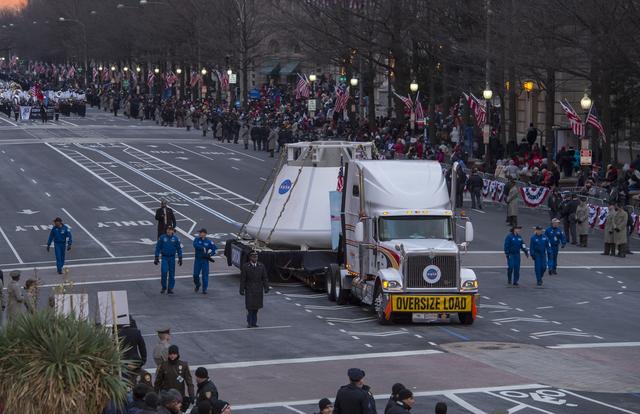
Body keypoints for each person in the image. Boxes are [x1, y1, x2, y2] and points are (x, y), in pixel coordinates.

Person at [154, 346, 194, 411]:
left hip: (179, 397)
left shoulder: (184, 365)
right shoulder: (164, 365)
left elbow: (189, 383)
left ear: (177, 354)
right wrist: (155, 394)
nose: (172, 356)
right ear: (168, 354)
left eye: (174, 354)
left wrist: (191, 394)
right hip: (167, 397)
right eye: (170, 354)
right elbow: (158, 382)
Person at [239, 250, 269, 328]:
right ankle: (249, 322)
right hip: (249, 289)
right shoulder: (246, 266)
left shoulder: (261, 266)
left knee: (256, 308)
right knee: (250, 307)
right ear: (250, 258)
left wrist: (266, 287)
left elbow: (265, 278)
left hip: (258, 289)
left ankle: (254, 323)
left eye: (256, 257)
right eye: (253, 257)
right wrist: (241, 289)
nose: (255, 258)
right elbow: (243, 279)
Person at [154, 226, 183, 295]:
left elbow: (179, 248)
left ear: (173, 231)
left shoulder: (176, 239)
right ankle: (164, 287)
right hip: (164, 257)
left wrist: (180, 258)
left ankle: (170, 288)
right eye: (168, 230)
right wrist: (156, 257)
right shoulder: (162, 237)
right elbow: (158, 247)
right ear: (166, 230)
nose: (169, 231)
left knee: (172, 274)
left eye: (171, 230)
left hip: (172, 258)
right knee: (164, 272)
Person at [193, 228, 216, 294]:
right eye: (199, 232)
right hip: (198, 260)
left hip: (205, 260)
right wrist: (202, 248)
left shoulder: (209, 242)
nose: (199, 234)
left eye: (201, 232)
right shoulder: (196, 239)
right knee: (195, 274)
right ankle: (197, 284)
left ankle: (204, 289)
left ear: (205, 234)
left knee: (205, 275)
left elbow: (215, 249)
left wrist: (210, 254)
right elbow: (195, 245)